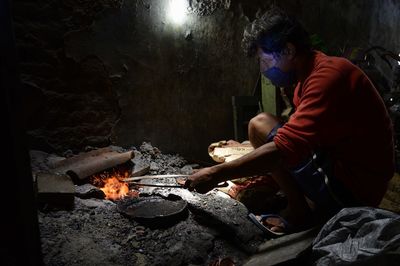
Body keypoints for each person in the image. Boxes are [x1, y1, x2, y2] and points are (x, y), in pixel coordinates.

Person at [184, 7, 395, 234]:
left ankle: (307, 213)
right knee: (259, 125)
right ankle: (301, 206)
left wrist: (216, 174)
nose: (263, 70)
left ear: (288, 50)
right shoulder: (306, 78)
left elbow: (285, 149)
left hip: (356, 191)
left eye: (264, 61)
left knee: (281, 147)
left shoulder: (327, 77)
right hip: (339, 164)